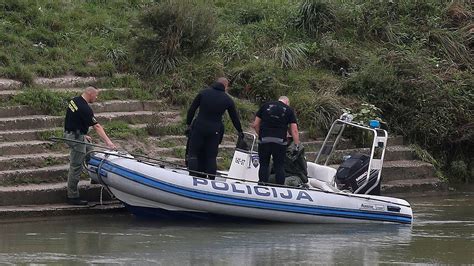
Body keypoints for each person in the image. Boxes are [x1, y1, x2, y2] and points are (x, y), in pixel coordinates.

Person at [64, 86, 116, 205]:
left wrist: (82, 133)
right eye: (96, 95)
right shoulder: (84, 108)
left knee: (90, 155)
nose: (96, 98)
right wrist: (108, 142)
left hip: (74, 134)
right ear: (90, 93)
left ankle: (94, 178)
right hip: (75, 138)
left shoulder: (74, 101)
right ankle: (72, 196)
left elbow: (71, 118)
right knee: (76, 166)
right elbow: (96, 126)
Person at [186, 77, 243, 178]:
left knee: (193, 153)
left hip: (199, 127)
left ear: (215, 83)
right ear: (226, 86)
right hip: (215, 130)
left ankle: (192, 177)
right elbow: (234, 118)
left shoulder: (203, 93)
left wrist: (188, 124)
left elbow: (192, 109)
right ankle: (211, 179)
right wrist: (240, 131)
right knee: (211, 157)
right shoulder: (227, 99)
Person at [253, 96, 300, 185]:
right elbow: (294, 130)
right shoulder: (289, 110)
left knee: (264, 165)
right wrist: (296, 145)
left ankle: (262, 185)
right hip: (280, 141)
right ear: (287, 102)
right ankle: (279, 188)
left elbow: (255, 124)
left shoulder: (265, 106)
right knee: (279, 166)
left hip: (264, 140)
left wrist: (261, 135)